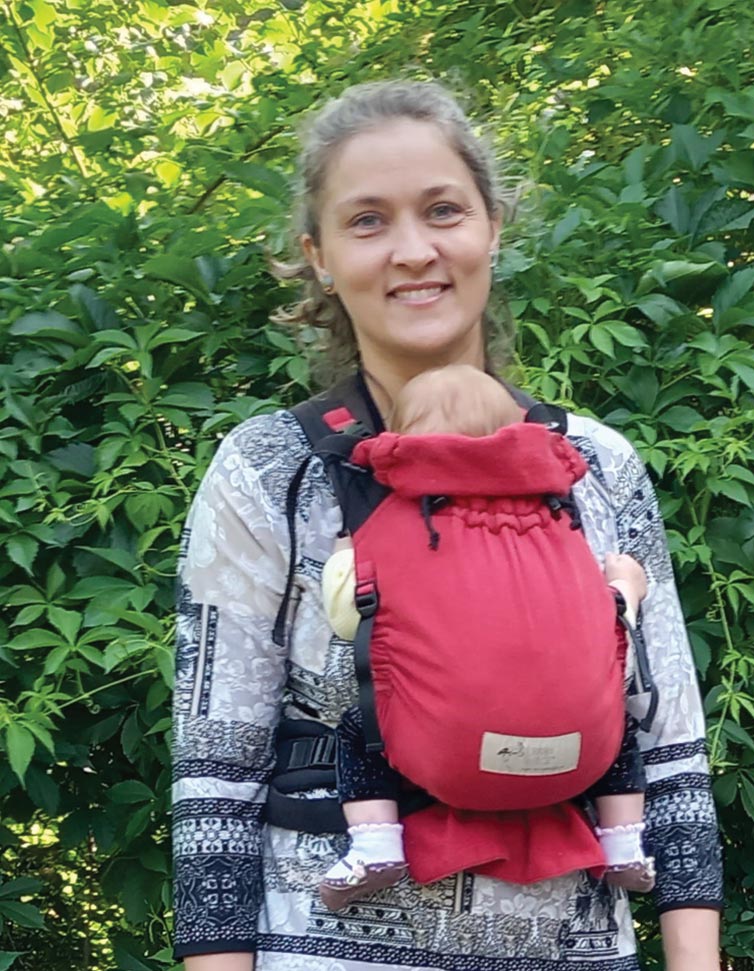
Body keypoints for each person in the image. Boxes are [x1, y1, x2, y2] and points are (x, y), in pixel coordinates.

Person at [173, 80, 723, 971]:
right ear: (317, 255)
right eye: (366, 221)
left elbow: (669, 747)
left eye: (442, 210)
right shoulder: (271, 468)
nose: (413, 250)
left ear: (492, 227)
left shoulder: (595, 464)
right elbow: (215, 776)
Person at [317, 364, 654, 911]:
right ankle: (624, 843)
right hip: (580, 759)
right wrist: (627, 586)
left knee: (361, 729)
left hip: (444, 757)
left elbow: (347, 619)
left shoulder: (393, 521)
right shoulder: (557, 518)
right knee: (620, 723)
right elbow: (608, 620)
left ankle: (374, 845)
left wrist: (343, 558)